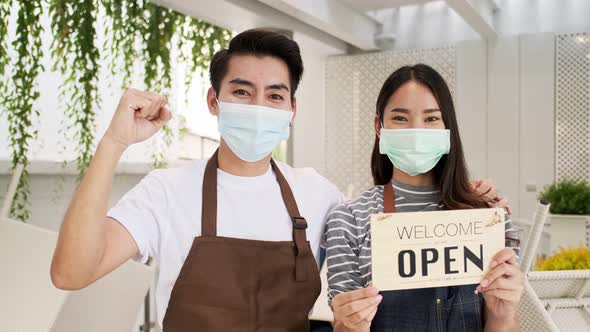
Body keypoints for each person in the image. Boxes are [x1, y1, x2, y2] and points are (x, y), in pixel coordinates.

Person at [51, 29, 507, 331]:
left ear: (291, 110)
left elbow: (397, 223)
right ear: (215, 100)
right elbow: (71, 271)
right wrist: (113, 143)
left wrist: (470, 203)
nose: (258, 106)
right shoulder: (165, 191)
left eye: (274, 95)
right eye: (242, 92)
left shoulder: (319, 195)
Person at [325, 64, 522, 332]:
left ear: (446, 129)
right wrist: (349, 325)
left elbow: (505, 323)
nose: (416, 131)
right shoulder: (350, 219)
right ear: (379, 127)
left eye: (430, 119)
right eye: (400, 118)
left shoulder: (487, 218)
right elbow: (342, 324)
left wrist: (503, 315)